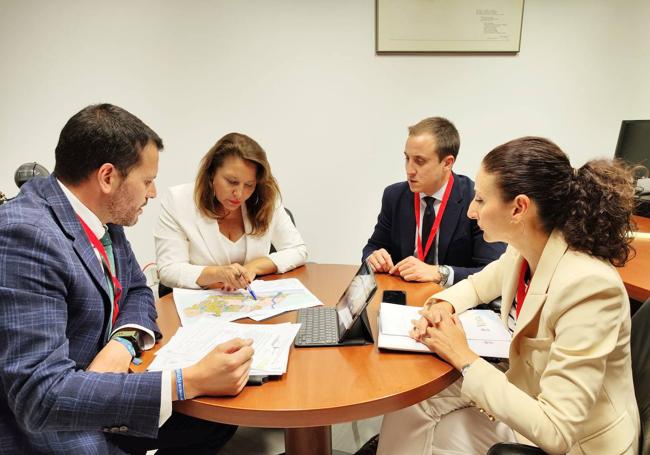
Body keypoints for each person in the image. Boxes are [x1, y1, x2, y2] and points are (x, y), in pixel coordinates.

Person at [0, 104, 254, 454]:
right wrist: (184, 382)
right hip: (54, 422)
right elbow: (40, 398)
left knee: (215, 422)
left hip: (102, 384)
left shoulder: (103, 214)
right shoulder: (25, 235)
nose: (153, 192)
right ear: (108, 177)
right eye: (147, 181)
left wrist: (122, 344)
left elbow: (137, 290)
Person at [377, 137, 641, 454]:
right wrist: (442, 305)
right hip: (527, 391)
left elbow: (557, 430)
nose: (471, 212)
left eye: (480, 200)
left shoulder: (590, 287)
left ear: (518, 208)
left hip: (576, 442)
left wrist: (463, 356)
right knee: (413, 403)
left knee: (442, 433)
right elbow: (478, 285)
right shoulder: (524, 249)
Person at [362, 116, 505, 287]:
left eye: (419, 161)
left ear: (447, 163)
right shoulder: (394, 196)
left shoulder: (475, 200)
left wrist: (439, 273)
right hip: (404, 294)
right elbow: (373, 247)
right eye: (407, 158)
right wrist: (374, 257)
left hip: (452, 297)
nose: (409, 170)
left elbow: (494, 271)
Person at [154, 132, 307, 291]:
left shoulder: (265, 199)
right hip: (203, 300)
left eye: (249, 185)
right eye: (232, 182)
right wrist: (218, 274)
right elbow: (168, 269)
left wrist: (252, 267)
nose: (239, 194)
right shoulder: (178, 201)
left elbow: (297, 250)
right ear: (211, 173)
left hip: (250, 299)